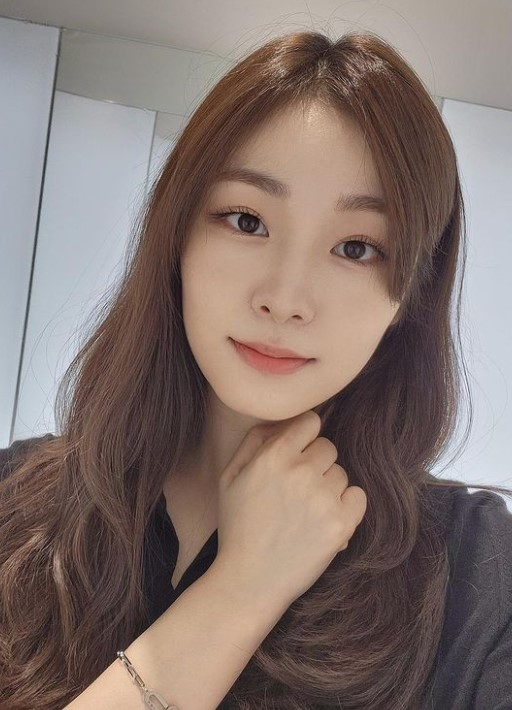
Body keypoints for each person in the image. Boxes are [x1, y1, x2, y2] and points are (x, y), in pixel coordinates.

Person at [1, 28, 511, 710]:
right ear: (177, 237)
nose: (285, 297)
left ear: (409, 296)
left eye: (357, 248)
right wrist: (242, 589)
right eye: (246, 220)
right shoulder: (18, 503)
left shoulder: (476, 574)